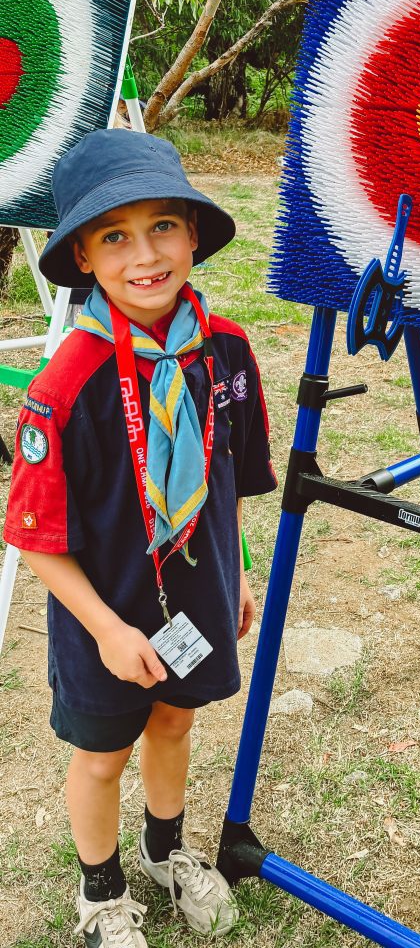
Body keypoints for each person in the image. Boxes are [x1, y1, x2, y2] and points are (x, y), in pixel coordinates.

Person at [4, 129, 277, 946]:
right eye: (115, 236)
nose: (145, 254)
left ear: (194, 234)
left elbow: (228, 481)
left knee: (173, 724)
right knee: (102, 755)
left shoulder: (226, 351)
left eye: (163, 225)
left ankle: (167, 853)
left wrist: (237, 574)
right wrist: (110, 630)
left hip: (194, 590)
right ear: (82, 256)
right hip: (103, 611)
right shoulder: (63, 388)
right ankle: (101, 893)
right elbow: (38, 539)